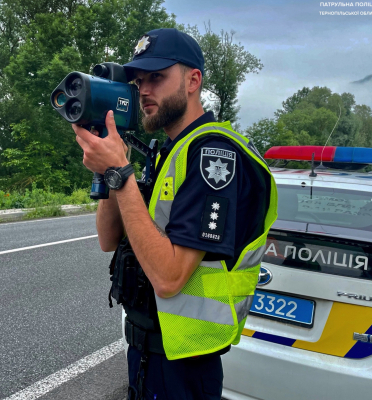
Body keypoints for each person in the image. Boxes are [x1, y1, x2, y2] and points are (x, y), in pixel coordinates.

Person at [72, 28, 278, 400]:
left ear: (192, 80)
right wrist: (109, 170)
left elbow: (169, 278)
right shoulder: (168, 151)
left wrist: (120, 173)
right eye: (138, 81)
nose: (143, 90)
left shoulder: (214, 155)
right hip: (146, 350)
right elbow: (108, 240)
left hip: (184, 362)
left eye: (157, 77)